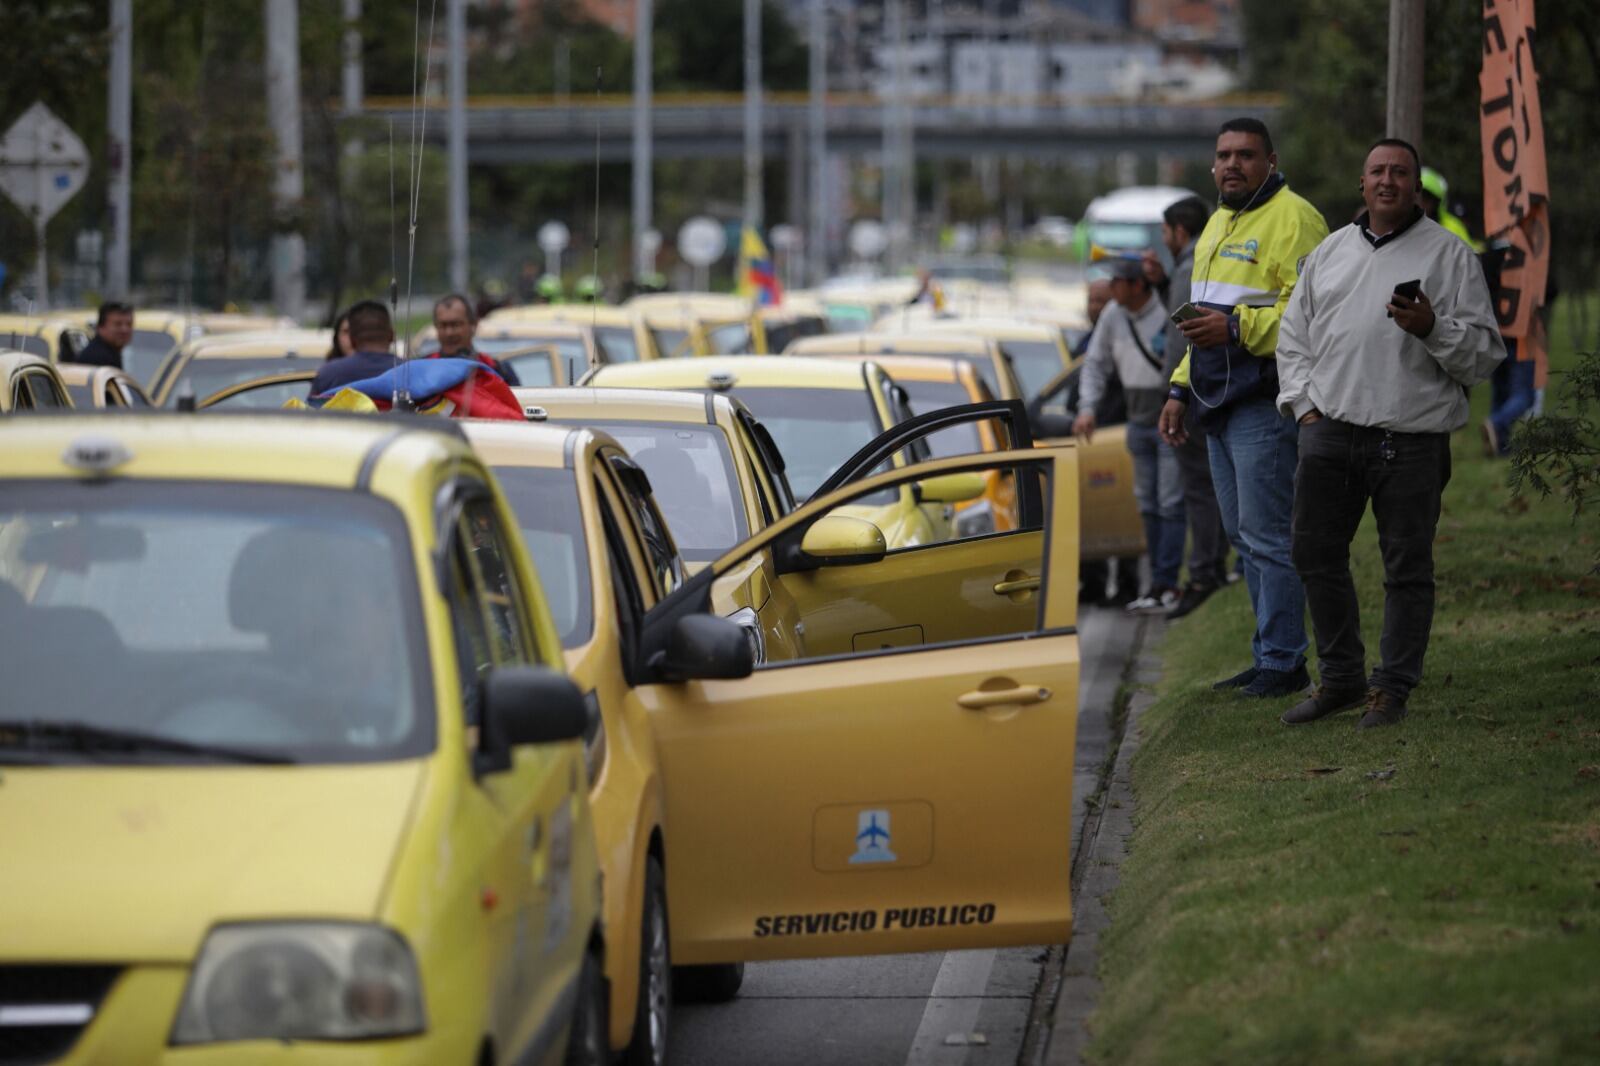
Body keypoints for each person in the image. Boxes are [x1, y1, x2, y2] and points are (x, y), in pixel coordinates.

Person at [1276, 138, 1505, 729]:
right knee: (1314, 554)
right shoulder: (1329, 253)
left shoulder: (1451, 257)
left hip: (1410, 442)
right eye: (1377, 171)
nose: (1387, 181)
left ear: (1416, 187)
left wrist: (1432, 327)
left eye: (1399, 172)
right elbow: (1293, 337)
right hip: (1329, 432)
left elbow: (1482, 357)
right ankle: (1344, 679)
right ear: (1362, 184)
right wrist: (1304, 409)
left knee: (1407, 569)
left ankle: (1392, 688)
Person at [1159, 117, 1329, 698]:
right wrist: (1179, 389)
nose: (1233, 165)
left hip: (1264, 399)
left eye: (1246, 155)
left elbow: (1312, 316)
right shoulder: (1216, 224)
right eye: (1224, 155)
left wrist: (1236, 328)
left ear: (1271, 161)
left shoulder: (1296, 219)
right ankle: (1270, 655)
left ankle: (1285, 662)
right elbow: (1199, 324)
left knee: (1268, 535)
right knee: (1242, 535)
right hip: (1215, 403)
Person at [1075, 257, 1184, 613]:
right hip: (1136, 422)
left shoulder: (1166, 308)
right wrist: (1087, 407)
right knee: (1147, 505)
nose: (1111, 289)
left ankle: (1167, 582)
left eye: (1118, 282)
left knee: (1170, 502)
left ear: (1138, 285)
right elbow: (1095, 363)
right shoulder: (1113, 315)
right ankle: (1155, 582)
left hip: (1168, 417)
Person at [1144, 195, 1231, 617]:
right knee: (1209, 484)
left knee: (1198, 488)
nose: (1165, 241)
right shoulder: (1202, 259)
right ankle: (1213, 567)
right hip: (1206, 386)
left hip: (1192, 389)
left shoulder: (1191, 263)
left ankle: (1203, 573)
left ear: (1180, 231)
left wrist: (1174, 392)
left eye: (1165, 233)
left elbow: (1183, 338)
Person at [308, 300, 401, 396]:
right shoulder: (411, 372)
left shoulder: (328, 374)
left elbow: (310, 408)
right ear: (392, 336)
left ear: (352, 340)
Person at [429, 294, 519, 385]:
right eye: (443, 325)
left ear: (474, 325)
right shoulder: (423, 371)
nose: (449, 333)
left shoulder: (497, 370)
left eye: (455, 325)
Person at [73, 302, 134, 369]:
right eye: (118, 324)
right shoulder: (98, 359)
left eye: (129, 324)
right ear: (100, 327)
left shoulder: (110, 353)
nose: (124, 330)